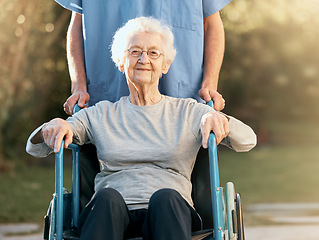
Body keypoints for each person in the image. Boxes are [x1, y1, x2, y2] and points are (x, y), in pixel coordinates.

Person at [26, 17, 256, 240]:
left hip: (172, 214)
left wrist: (219, 119)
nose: (144, 59)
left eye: (154, 53)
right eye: (134, 51)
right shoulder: (101, 113)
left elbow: (248, 140)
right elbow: (35, 148)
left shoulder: (188, 111)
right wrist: (55, 125)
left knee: (166, 198)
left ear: (165, 65)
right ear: (121, 61)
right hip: (110, 214)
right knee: (106, 199)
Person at [55, 0, 231, 208]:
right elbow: (77, 23)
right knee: (103, 195)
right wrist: (78, 85)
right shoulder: (99, 113)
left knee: (187, 197)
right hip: (108, 96)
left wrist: (210, 84)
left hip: (183, 95)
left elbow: (211, 23)